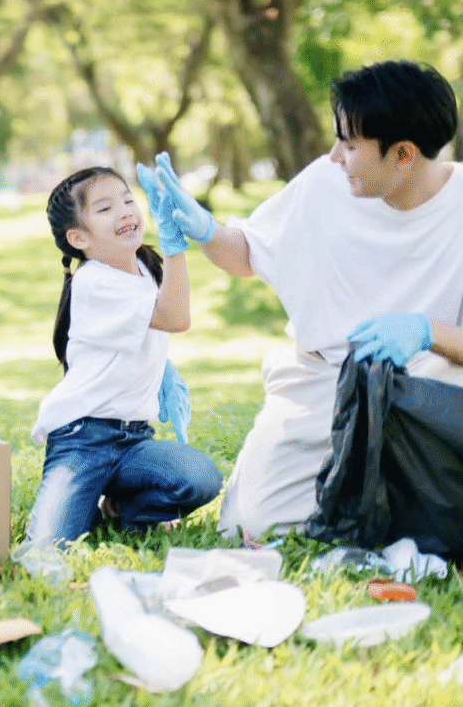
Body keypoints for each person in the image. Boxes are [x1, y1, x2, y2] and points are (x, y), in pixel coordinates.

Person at [147, 59, 463, 538]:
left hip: (423, 379)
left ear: (403, 154)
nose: (335, 155)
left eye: (350, 144)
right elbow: (248, 254)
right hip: (322, 379)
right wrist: (207, 230)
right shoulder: (324, 184)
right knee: (251, 525)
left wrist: (425, 330)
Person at [25, 164, 222, 545]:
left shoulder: (146, 270)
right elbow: (176, 318)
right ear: (78, 237)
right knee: (49, 547)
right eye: (105, 208)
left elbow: (147, 330)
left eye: (128, 200)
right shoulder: (94, 280)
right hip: (82, 437)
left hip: (134, 439)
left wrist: (162, 371)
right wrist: (176, 246)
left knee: (199, 477)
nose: (125, 211)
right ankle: (86, 500)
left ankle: (125, 511)